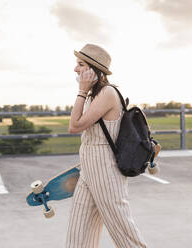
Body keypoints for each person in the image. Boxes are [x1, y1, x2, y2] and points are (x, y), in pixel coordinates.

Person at [66, 44, 147, 248]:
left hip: (106, 172)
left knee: (124, 234)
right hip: (89, 169)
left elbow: (74, 126)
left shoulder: (108, 93)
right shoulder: (93, 95)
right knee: (79, 235)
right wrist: (85, 92)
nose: (75, 69)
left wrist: (81, 91)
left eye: (80, 64)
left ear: (94, 69)